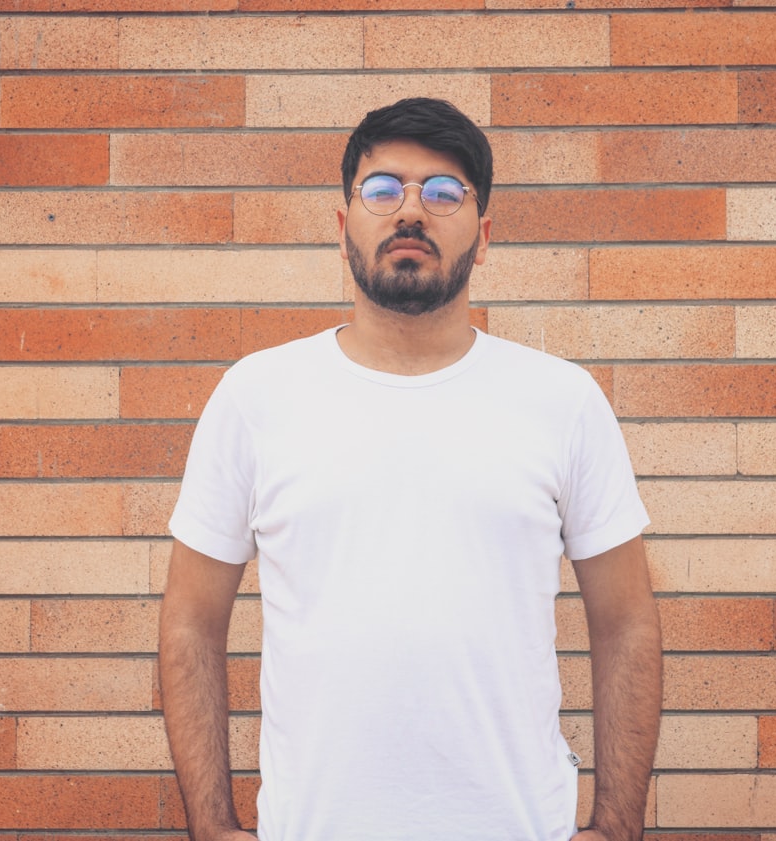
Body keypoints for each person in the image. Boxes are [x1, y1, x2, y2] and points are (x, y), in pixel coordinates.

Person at [159, 97, 662, 841]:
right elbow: (189, 624)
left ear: (483, 237)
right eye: (384, 189)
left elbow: (627, 623)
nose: (411, 211)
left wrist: (618, 825)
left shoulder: (562, 400)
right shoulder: (257, 396)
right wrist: (211, 823)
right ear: (343, 227)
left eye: (444, 192)